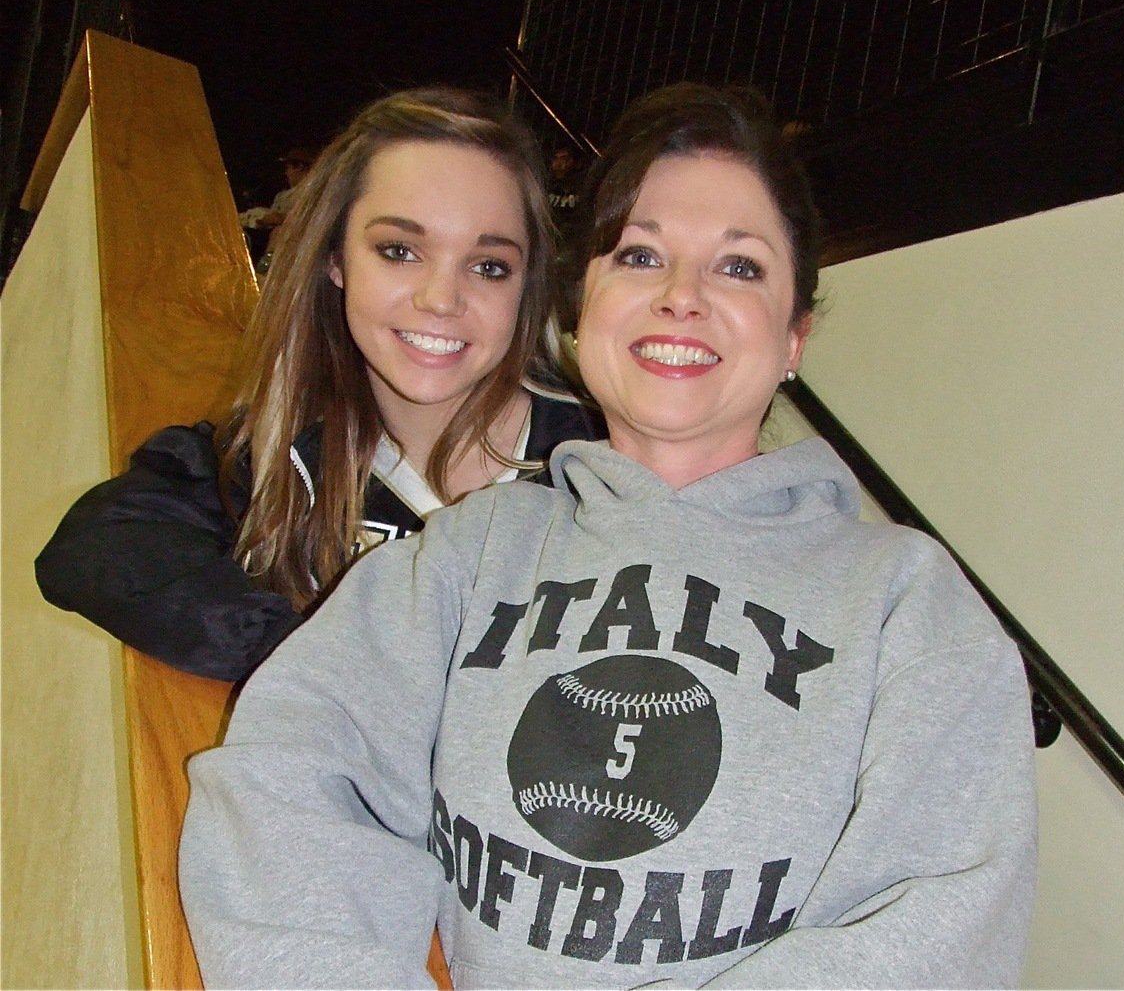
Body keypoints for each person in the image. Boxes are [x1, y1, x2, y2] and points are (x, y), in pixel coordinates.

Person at [179, 83, 1037, 988]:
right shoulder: (469, 553)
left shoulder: (907, 596)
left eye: (739, 267)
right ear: (583, 307)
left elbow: (945, 916)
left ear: (795, 336)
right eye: (640, 254)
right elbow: (289, 774)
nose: (681, 298)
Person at [34, 87, 602, 682]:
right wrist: (323, 661)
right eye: (399, 250)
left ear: (527, 285)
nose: (441, 299)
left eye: (489, 267)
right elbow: (94, 549)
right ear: (335, 259)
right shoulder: (281, 448)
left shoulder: (592, 467)